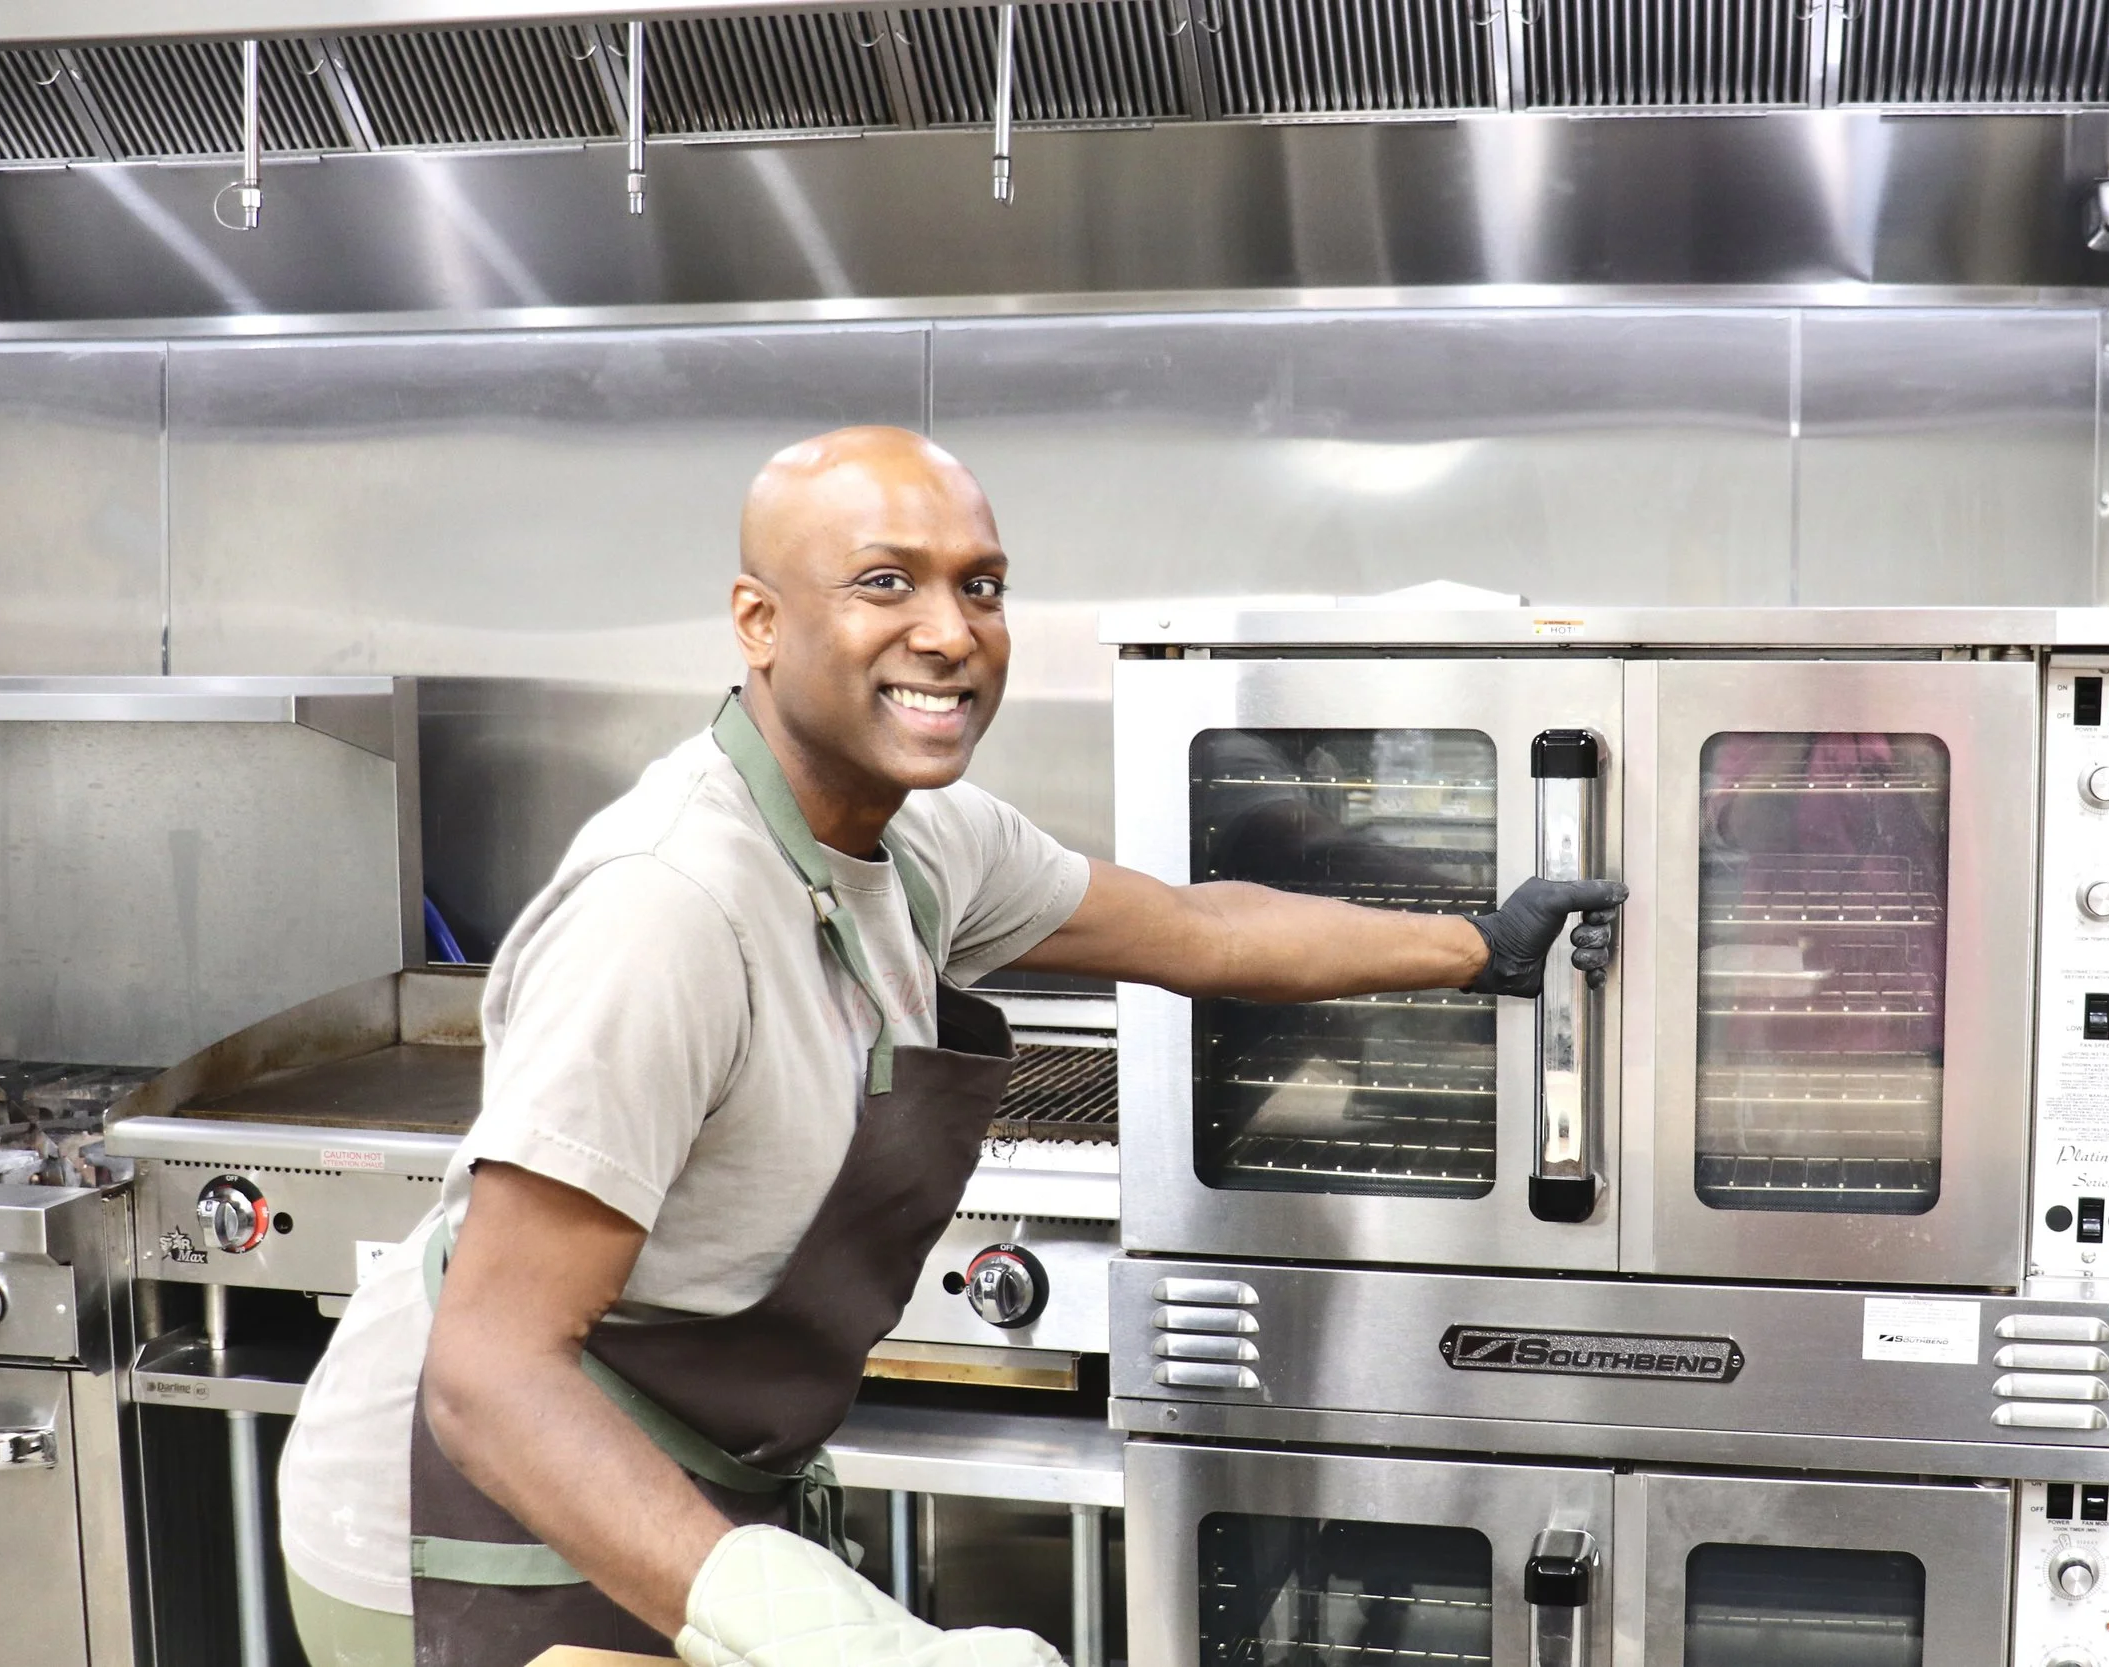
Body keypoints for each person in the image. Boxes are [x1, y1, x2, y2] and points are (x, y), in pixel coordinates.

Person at [274, 426, 1624, 1667]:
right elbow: (491, 1371)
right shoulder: (672, 908)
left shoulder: (928, 846)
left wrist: (1476, 944)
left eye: (982, 587)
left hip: (692, 1502)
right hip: (466, 1527)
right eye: (885, 582)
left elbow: (1199, 929)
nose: (951, 632)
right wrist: (833, 1634)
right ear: (758, 621)